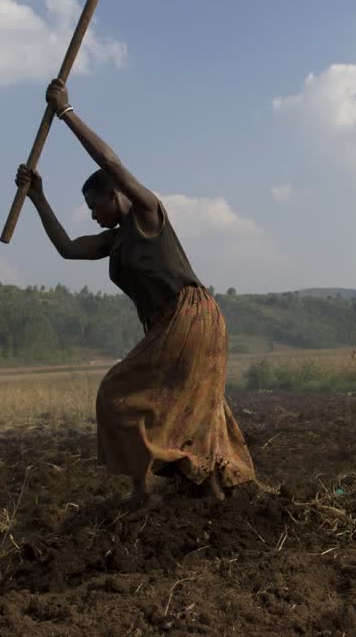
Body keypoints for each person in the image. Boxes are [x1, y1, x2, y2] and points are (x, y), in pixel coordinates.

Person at [16, 78, 256, 506]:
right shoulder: (116, 238)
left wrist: (67, 112)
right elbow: (68, 249)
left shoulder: (147, 212)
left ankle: (145, 491)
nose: (93, 216)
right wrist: (38, 197)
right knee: (195, 407)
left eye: (96, 207)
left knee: (117, 394)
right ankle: (212, 494)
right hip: (180, 322)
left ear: (116, 194)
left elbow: (108, 158)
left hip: (189, 316)